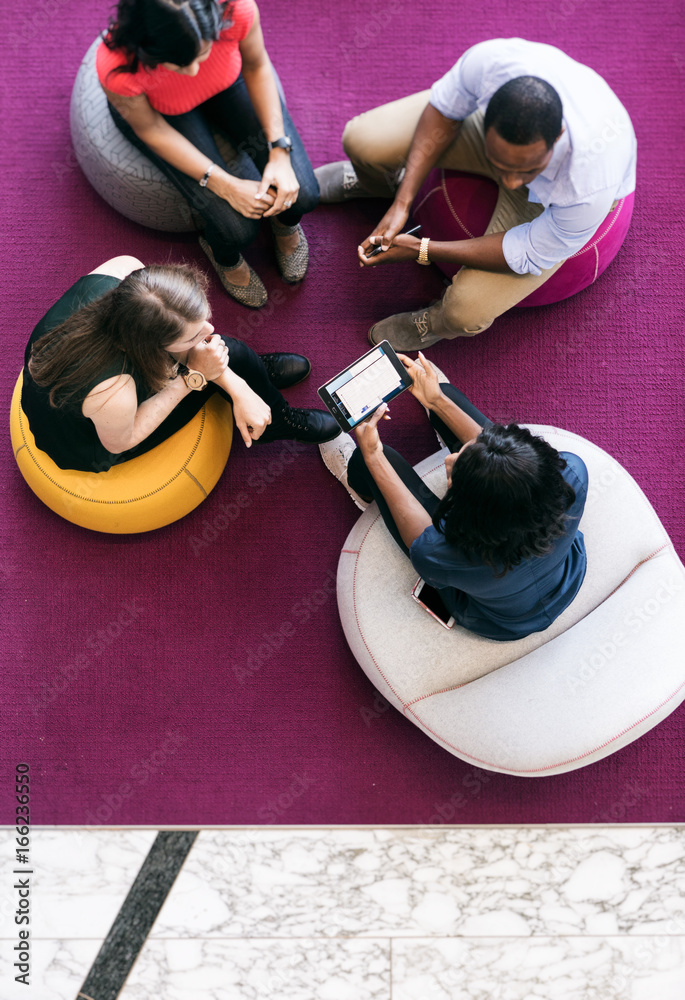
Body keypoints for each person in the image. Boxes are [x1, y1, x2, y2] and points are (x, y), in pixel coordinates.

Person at [315, 38, 636, 350]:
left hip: (557, 203)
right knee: (363, 141)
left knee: (464, 312)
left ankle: (435, 323)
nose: (511, 182)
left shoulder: (590, 184)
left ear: (558, 137)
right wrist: (402, 202)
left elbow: (527, 252)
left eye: (526, 170)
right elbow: (445, 110)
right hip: (513, 145)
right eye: (502, 166)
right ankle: (385, 183)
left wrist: (422, 249)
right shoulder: (490, 63)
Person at [319, 355, 588, 641]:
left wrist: (373, 455)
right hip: (566, 575)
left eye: (453, 478)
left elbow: (422, 540)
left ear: (467, 513)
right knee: (449, 398)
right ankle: (440, 408)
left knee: (371, 462)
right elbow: (487, 444)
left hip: (495, 619)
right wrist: (436, 401)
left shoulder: (439, 554)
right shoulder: (573, 475)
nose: (449, 460)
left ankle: (358, 478)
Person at [22, 256, 339, 475]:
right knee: (232, 353)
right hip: (90, 439)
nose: (210, 330)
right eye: (192, 336)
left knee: (232, 353)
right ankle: (278, 424)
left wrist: (237, 386)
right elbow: (123, 440)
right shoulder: (113, 392)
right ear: (150, 346)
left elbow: (192, 337)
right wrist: (194, 378)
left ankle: (253, 380)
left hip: (97, 388)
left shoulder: (125, 269)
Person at [97, 0, 319, 308]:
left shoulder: (236, 10)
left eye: (202, 55)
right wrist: (225, 184)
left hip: (230, 82)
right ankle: (224, 257)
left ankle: (284, 224)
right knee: (235, 229)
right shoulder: (118, 66)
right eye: (177, 66)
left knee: (304, 194)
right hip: (164, 115)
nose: (192, 72)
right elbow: (152, 130)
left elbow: (256, 64)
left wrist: (279, 152)